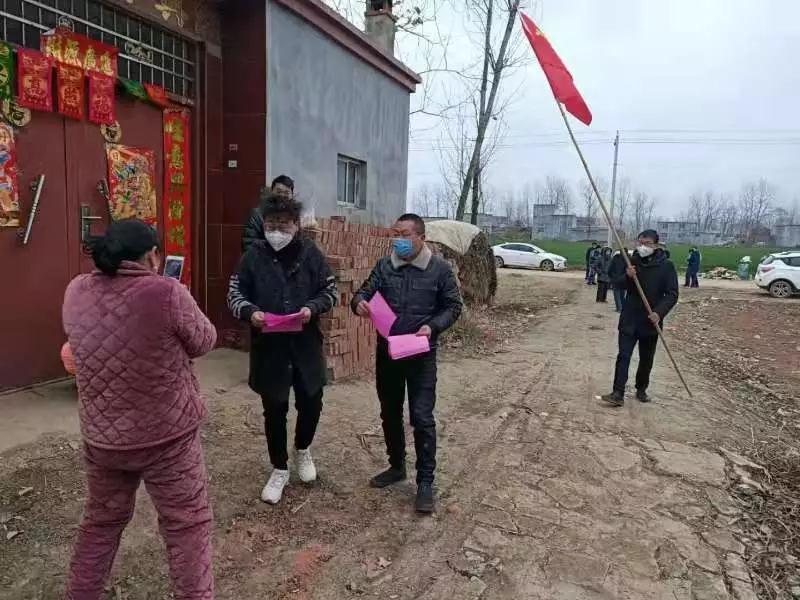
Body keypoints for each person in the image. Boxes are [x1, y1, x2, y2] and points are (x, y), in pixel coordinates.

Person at [63, 219, 217, 600]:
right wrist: (181, 300)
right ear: (153, 256)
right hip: (168, 439)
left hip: (103, 439)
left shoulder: (76, 290)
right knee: (187, 526)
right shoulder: (166, 292)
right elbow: (204, 341)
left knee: (100, 524)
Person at [228, 195, 337, 505]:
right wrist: (251, 312)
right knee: (274, 408)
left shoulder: (311, 254)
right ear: (264, 225)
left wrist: (311, 308)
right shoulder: (253, 256)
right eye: (271, 225)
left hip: (305, 344)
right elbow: (234, 295)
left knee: (312, 402)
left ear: (296, 225)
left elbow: (330, 291)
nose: (277, 231)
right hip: (270, 346)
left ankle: (302, 448)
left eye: (283, 225)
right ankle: (279, 468)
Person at [352, 214, 462, 514]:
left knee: (422, 417)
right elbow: (363, 292)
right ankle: (396, 466)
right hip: (389, 352)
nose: (398, 240)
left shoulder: (439, 269)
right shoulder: (385, 266)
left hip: (421, 355)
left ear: (421, 238)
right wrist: (359, 303)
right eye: (395, 234)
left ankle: (425, 482)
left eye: (404, 234)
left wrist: (433, 326)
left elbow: (453, 306)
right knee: (389, 411)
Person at [601, 229, 678, 407]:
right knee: (623, 356)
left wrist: (659, 312)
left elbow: (672, 294)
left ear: (656, 245)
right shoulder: (631, 261)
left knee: (646, 359)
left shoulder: (666, 266)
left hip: (651, 320)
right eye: (640, 243)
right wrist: (627, 276)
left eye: (647, 243)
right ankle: (617, 392)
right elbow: (617, 284)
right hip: (630, 318)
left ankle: (641, 388)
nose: (643, 247)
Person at [242, 175, 295, 252]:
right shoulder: (257, 214)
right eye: (279, 191)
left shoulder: (295, 216)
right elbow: (249, 243)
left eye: (286, 192)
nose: (282, 195)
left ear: (292, 195)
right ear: (272, 192)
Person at [608, 248, 629, 313]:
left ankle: (619, 308)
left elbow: (610, 269)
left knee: (617, 295)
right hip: (624, 280)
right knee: (622, 295)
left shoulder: (616, 258)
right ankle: (623, 308)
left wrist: (611, 277)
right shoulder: (628, 259)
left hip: (616, 279)